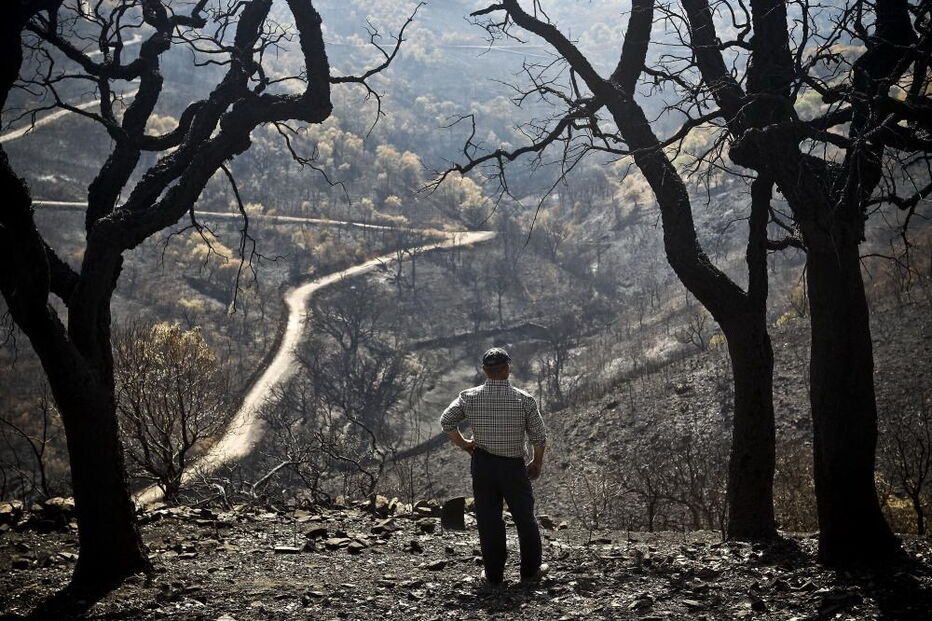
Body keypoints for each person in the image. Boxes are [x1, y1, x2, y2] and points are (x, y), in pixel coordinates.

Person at [440, 347, 549, 587]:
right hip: (513, 467)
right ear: (508, 368)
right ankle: (530, 573)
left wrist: (464, 444)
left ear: (484, 371)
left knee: (489, 520)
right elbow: (539, 436)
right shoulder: (524, 400)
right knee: (524, 519)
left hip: (484, 465)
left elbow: (446, 421)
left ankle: (494, 576)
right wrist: (537, 461)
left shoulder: (469, 397)